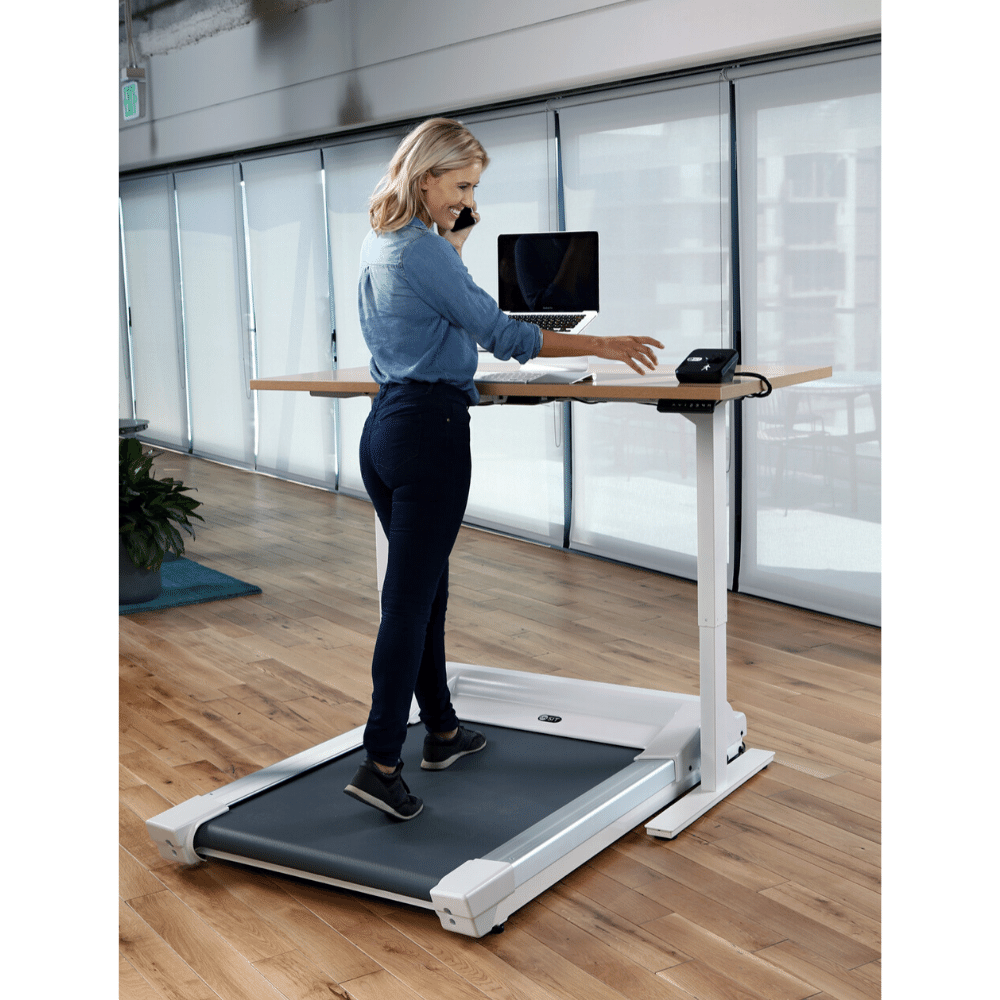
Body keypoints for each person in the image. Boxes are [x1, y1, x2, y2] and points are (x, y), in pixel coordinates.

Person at [344, 118, 662, 820]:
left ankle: (444, 732)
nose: (464, 200)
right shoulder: (424, 256)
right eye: (459, 187)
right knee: (408, 604)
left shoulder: (384, 243)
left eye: (472, 189)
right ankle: (381, 760)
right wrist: (603, 343)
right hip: (428, 433)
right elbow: (503, 334)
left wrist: (453, 243)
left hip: (386, 428)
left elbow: (433, 315)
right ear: (423, 177)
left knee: (425, 595)